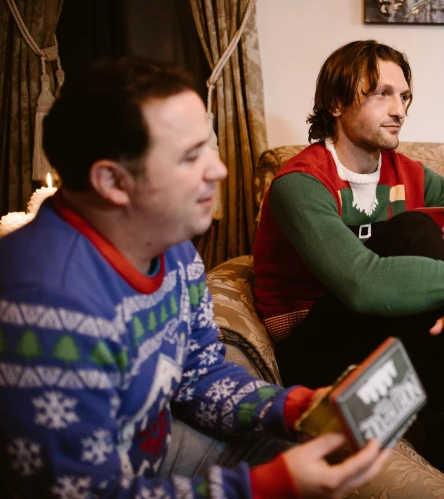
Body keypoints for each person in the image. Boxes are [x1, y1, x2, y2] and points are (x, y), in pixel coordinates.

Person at [0, 57, 391, 499]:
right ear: (111, 181)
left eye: (209, 146)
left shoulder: (171, 244)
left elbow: (198, 374)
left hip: (155, 447)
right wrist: (268, 487)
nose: (219, 170)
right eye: (190, 157)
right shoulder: (46, 305)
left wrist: (301, 407)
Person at [253, 40, 444, 499]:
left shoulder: (410, 173)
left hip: (387, 331)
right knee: (419, 235)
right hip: (312, 341)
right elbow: (363, 284)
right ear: (336, 102)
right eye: (381, 93)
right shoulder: (299, 183)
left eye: (404, 96)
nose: (399, 109)